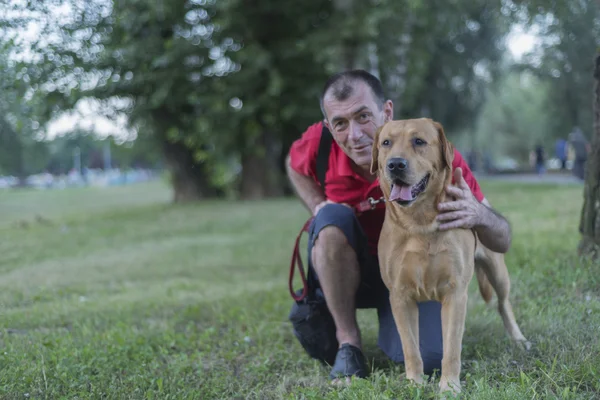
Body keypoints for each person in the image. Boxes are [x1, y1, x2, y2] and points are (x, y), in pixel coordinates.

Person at [285, 69, 512, 382]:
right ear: (329, 126)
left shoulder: (440, 155)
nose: (354, 134)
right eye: (340, 123)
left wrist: (478, 214)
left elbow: (501, 240)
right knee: (331, 219)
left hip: (414, 273)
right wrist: (316, 204)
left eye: (363, 116)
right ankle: (348, 342)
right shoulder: (319, 144)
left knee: (431, 358)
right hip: (350, 269)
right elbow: (293, 165)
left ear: (386, 111)